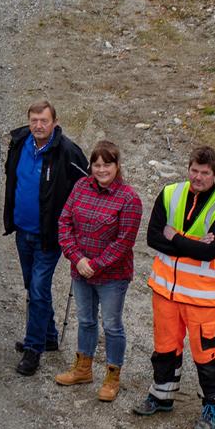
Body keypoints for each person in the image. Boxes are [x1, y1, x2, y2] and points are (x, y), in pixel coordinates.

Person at [134, 146, 215, 429]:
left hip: (203, 300)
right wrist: (193, 244)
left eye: (205, 173)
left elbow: (210, 253)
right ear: (188, 168)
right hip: (166, 292)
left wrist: (175, 236)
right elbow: (153, 238)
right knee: (165, 348)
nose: (198, 177)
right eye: (194, 170)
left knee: (207, 357)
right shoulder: (170, 193)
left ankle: (212, 407)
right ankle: (161, 395)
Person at [3, 100, 91, 376]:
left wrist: (77, 228)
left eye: (43, 121)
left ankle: (33, 349)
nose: (38, 126)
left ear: (54, 122)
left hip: (49, 236)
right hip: (22, 229)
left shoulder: (67, 152)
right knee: (33, 286)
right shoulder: (19, 143)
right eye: (34, 120)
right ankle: (49, 335)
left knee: (39, 288)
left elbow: (86, 188)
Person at [56, 140, 143, 402]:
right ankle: (83, 368)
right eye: (97, 164)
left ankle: (112, 375)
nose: (101, 169)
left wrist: (96, 264)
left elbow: (124, 242)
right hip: (80, 270)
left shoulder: (129, 199)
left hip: (112, 277)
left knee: (113, 325)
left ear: (117, 166)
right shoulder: (80, 187)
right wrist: (76, 257)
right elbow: (64, 223)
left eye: (107, 164)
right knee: (85, 320)